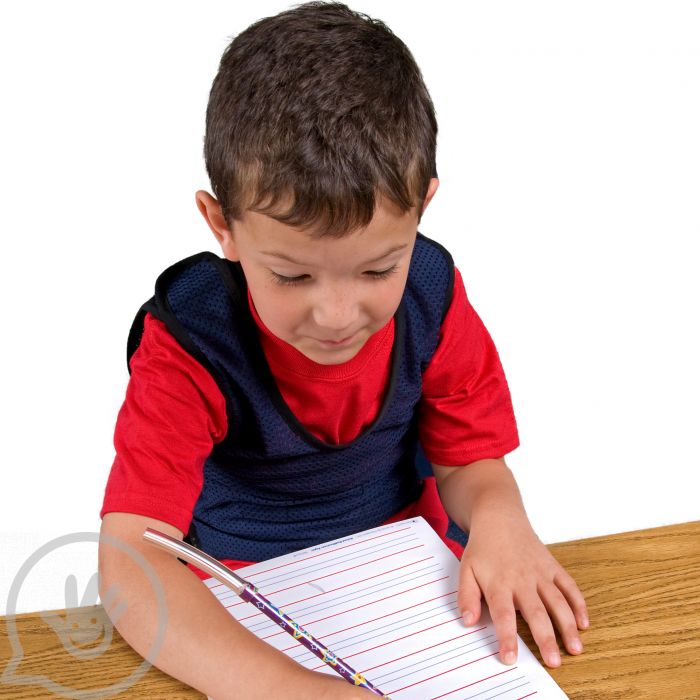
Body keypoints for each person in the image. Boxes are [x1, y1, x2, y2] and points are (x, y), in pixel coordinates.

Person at [98, 3, 588, 698]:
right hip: (240, 600)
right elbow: (129, 566)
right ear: (222, 225)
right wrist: (286, 690)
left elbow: (470, 461)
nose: (335, 315)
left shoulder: (432, 296)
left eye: (377, 269)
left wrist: (502, 517)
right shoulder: (191, 341)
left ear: (422, 209)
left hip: (416, 582)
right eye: (291, 275)